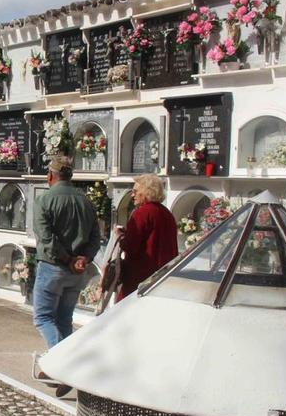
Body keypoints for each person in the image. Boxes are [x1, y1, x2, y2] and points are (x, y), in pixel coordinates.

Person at [33, 155, 100, 395]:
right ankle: (57, 369)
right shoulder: (86, 201)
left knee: (43, 318)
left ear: (50, 176)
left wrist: (67, 259)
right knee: (64, 319)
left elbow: (46, 238)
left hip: (54, 267)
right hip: (77, 272)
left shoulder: (45, 200)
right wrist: (84, 258)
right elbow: (95, 237)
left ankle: (64, 367)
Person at [115, 173, 178, 301]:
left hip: (141, 277)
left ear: (146, 192)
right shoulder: (167, 213)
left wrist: (119, 237)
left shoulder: (142, 213)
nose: (132, 195)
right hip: (162, 276)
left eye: (135, 191)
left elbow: (131, 246)